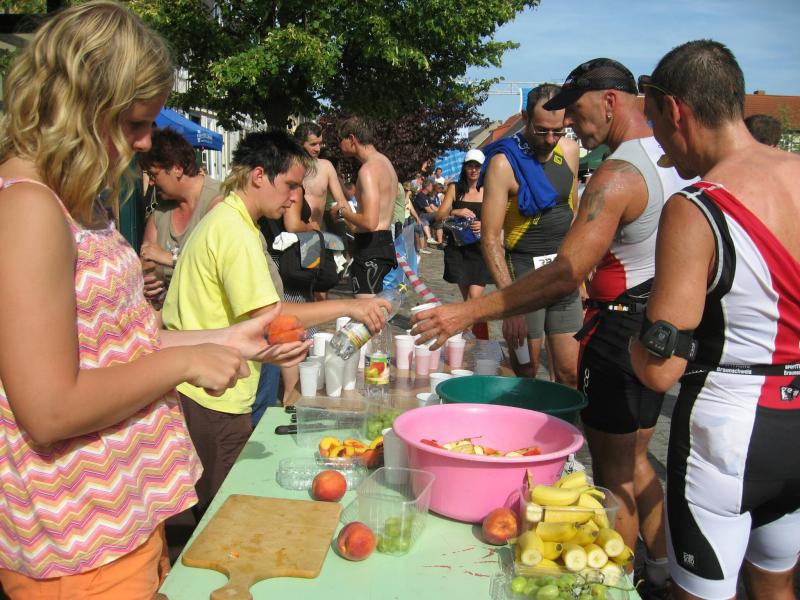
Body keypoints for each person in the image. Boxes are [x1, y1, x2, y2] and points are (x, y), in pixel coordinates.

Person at [0, 3, 306, 597]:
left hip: (121, 523)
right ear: (77, 102)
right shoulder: (28, 208)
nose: (145, 142)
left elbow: (114, 346)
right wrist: (185, 362)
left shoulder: (74, 198)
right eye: (134, 121)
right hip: (77, 546)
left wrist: (224, 339)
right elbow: (50, 408)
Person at [412, 58, 694, 594]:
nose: (569, 124)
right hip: (656, 324)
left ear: (609, 101)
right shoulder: (672, 156)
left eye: (575, 110)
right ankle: (662, 569)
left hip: (618, 331)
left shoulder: (617, 172)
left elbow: (567, 270)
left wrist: (466, 312)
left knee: (613, 476)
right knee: (637, 463)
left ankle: (616, 583)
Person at [631, 40, 800, 600]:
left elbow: (658, 370)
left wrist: (632, 335)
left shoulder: (697, 206)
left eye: (655, 124)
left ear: (676, 110)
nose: (659, 144)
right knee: (776, 584)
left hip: (729, 429)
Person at [162, 129, 390, 518]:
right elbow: (272, 318)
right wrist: (350, 307)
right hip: (210, 395)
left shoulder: (231, 220)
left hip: (206, 387)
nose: (295, 197)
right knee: (222, 517)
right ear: (258, 176)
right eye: (290, 185)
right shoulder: (234, 230)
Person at [479, 84, 582, 382]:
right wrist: (509, 305)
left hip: (562, 273)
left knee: (569, 372)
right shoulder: (503, 164)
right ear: (525, 118)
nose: (550, 139)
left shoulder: (570, 151)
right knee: (526, 370)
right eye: (541, 131)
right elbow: (490, 238)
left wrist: (583, 272)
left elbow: (573, 213)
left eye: (557, 131)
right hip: (522, 275)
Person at [138, 127, 222, 306]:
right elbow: (147, 259)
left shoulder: (218, 202)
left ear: (177, 168)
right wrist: (151, 279)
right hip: (173, 313)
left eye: (154, 174)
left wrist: (169, 259)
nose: (151, 182)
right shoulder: (160, 212)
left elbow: (218, 268)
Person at [333, 117, 399, 297]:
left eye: (340, 140)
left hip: (371, 248)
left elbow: (370, 222)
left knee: (367, 311)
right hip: (383, 243)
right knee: (375, 310)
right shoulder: (385, 163)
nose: (339, 145)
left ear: (352, 139)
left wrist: (342, 212)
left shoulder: (368, 170)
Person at [436, 149, 493, 339]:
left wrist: (485, 224)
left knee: (473, 299)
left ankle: (462, 337)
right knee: (470, 301)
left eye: (477, 166)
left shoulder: (489, 189)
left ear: (483, 168)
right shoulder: (455, 188)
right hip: (458, 250)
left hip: (481, 251)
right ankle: (477, 340)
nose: (474, 170)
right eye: (470, 166)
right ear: (465, 167)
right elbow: (440, 216)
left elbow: (500, 216)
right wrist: (456, 212)